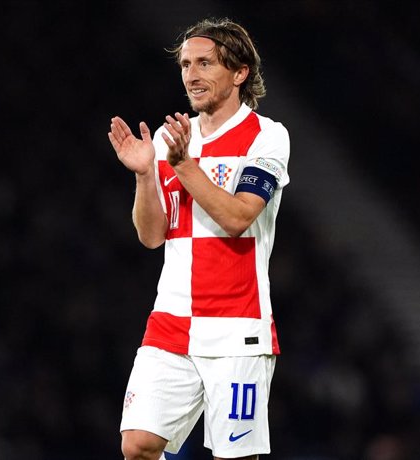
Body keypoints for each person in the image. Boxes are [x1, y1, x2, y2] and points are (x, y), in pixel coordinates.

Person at [107, 17, 290, 460]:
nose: (191, 74)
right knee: (138, 445)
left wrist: (184, 165)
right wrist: (147, 174)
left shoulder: (265, 136)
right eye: (186, 64)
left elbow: (238, 217)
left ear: (240, 73)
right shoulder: (175, 137)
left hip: (236, 328)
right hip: (172, 320)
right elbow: (151, 236)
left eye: (205, 63)